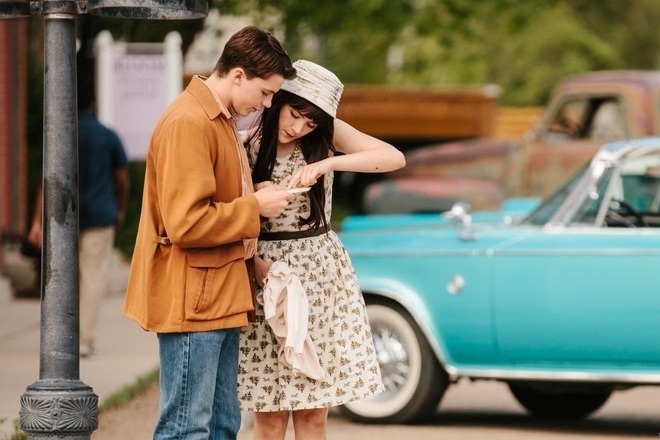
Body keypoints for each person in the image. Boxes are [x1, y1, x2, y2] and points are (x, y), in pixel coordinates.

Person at [123, 25, 296, 440]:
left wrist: (252, 193)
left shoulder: (217, 118)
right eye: (265, 92)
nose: (267, 104)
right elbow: (186, 223)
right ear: (238, 74)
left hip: (216, 294)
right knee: (187, 428)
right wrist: (255, 207)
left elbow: (210, 198)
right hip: (195, 299)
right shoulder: (190, 121)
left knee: (221, 426)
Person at [237, 60, 406, 440]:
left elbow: (393, 158)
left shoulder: (325, 136)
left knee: (313, 413)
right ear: (279, 100)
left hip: (320, 275)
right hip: (267, 275)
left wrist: (327, 163)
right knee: (270, 417)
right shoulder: (245, 139)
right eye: (294, 115)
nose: (298, 128)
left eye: (310, 123)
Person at [27, 79, 129, 357]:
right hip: (100, 214)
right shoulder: (107, 135)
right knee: (93, 277)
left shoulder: (58, 134)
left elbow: (45, 181)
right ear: (94, 100)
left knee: (61, 277)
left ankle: (61, 338)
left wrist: (37, 220)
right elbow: (122, 179)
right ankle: (83, 340)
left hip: (61, 216)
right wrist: (120, 209)